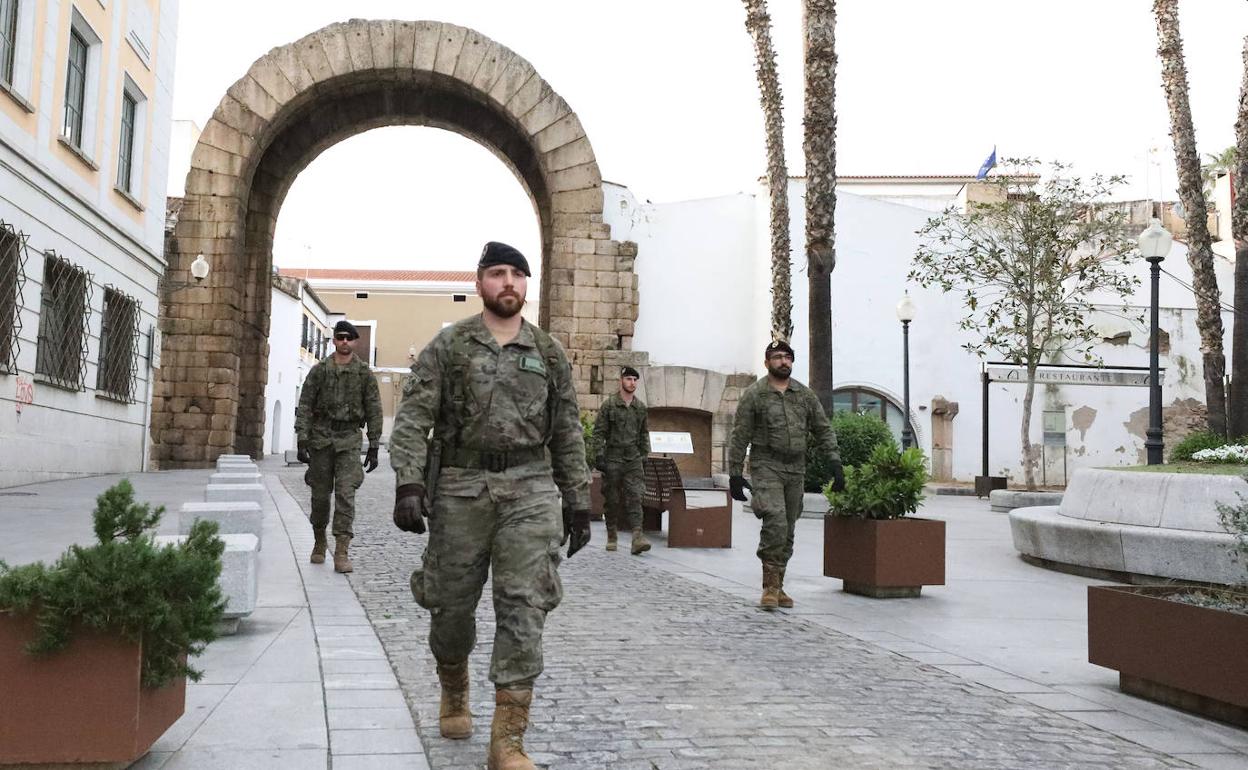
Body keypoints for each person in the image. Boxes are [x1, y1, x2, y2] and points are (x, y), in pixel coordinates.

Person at [389, 241, 591, 770]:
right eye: (497, 274)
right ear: (479, 283)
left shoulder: (547, 353)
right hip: (459, 487)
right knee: (451, 607)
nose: (508, 283)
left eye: (517, 275)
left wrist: (577, 500)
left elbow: (568, 429)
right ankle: (453, 685)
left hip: (530, 488)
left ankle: (508, 740)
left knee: (525, 606)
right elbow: (413, 416)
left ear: (528, 285)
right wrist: (409, 483)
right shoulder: (450, 346)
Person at [728, 339, 843, 610]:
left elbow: (822, 428)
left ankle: (779, 584)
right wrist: (734, 473)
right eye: (777, 357)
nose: (783, 361)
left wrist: (835, 464)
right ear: (767, 362)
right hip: (766, 465)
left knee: (789, 527)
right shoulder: (755, 395)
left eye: (788, 357)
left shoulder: (803, 395)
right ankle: (769, 587)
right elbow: (739, 434)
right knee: (776, 522)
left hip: (796, 468)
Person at [295, 319, 383, 574]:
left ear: (355, 342)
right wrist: (303, 438)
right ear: (334, 340)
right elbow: (306, 404)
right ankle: (319, 540)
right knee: (320, 496)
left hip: (349, 440)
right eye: (340, 337)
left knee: (346, 495)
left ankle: (342, 549)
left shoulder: (364, 373)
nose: (345, 342)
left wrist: (374, 444)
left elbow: (374, 409)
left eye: (349, 338)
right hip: (321, 439)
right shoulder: (319, 371)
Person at [590, 367, 652, 554]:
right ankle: (611, 535)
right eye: (628, 379)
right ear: (621, 381)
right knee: (612, 498)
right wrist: (599, 455)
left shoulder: (640, 408)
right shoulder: (609, 405)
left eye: (635, 379)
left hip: (633, 458)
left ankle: (637, 537)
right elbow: (599, 433)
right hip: (613, 458)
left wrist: (643, 455)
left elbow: (644, 434)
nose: (632, 383)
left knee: (635, 496)